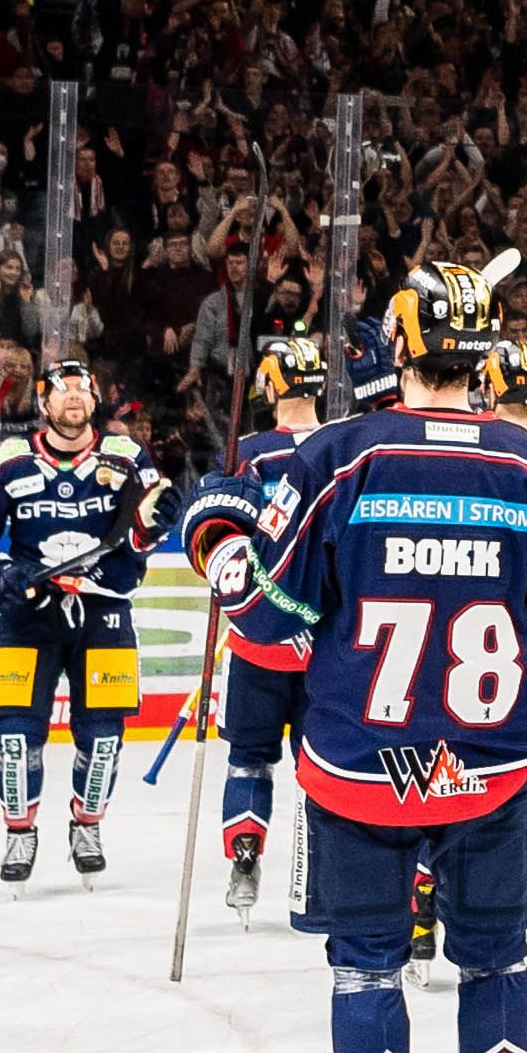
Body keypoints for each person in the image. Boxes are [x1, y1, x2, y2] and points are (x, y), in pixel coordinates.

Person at [238, 258, 527, 1053]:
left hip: (362, 768)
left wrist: (226, 543)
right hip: (490, 769)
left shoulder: (338, 456)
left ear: (396, 349)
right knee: (496, 957)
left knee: (366, 969)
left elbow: (272, 613)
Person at [0, 357, 161, 882]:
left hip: (103, 610)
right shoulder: (11, 460)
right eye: (62, 389)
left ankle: (87, 824)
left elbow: (145, 527)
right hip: (29, 614)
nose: (74, 396)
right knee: (15, 739)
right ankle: (20, 831)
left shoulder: (126, 457)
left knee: (103, 738)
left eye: (84, 388)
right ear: (43, 402)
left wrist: (154, 520)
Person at [175, 334, 330, 919]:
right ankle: (322, 874)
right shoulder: (346, 449)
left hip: (258, 643)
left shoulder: (249, 455)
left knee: (248, 759)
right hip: (326, 647)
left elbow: (220, 545)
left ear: (269, 385)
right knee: (324, 765)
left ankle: (245, 853)